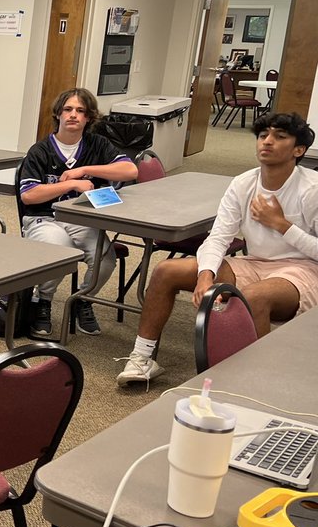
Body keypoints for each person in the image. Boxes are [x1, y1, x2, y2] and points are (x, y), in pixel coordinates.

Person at [117, 112, 318, 386]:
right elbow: (219, 236)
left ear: (298, 149)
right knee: (167, 271)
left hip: (303, 269)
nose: (267, 142)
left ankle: (256, 383)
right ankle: (142, 358)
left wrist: (282, 225)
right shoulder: (244, 183)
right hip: (254, 263)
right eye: (262, 136)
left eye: (279, 137)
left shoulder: (311, 189)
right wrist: (205, 275)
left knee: (253, 298)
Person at [18, 88, 137, 339]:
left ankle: (83, 299)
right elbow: (28, 195)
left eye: (80, 111)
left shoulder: (97, 145)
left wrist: (83, 170)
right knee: (61, 250)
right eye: (68, 109)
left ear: (88, 118)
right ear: (58, 115)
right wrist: (70, 184)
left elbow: (130, 171)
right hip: (43, 218)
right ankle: (43, 301)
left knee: (105, 257)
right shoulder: (40, 150)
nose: (73, 115)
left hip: (82, 219)